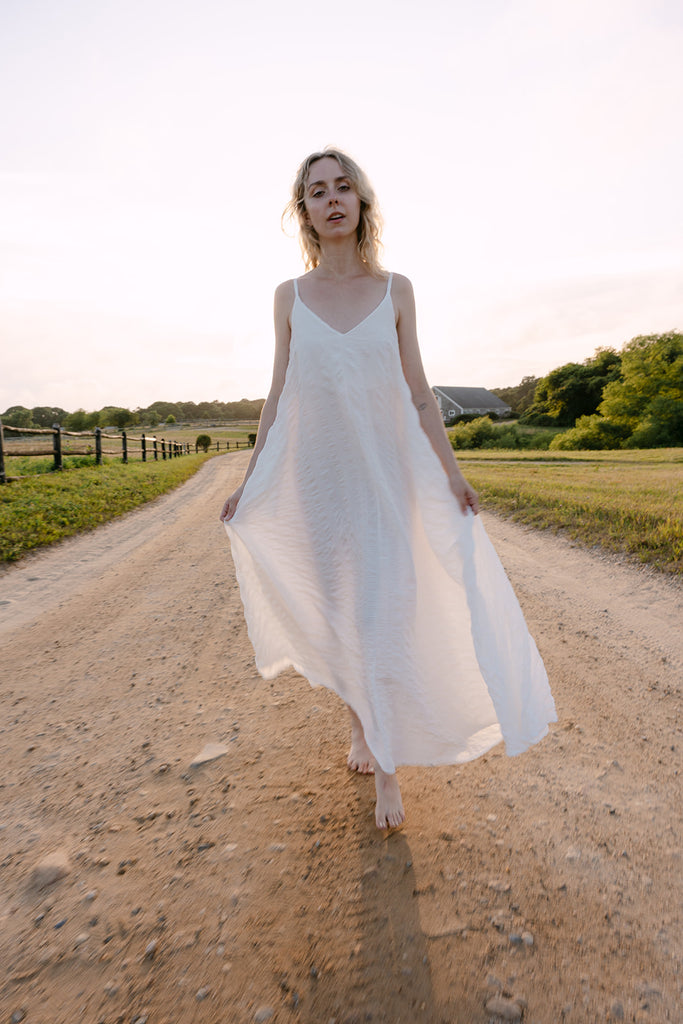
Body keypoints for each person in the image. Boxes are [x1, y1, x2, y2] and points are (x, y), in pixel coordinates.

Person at [220, 148, 556, 830]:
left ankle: (387, 769)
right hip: (320, 482)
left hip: (387, 479)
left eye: (343, 187)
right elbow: (278, 393)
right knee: (343, 615)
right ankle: (363, 729)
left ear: (361, 202)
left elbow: (419, 393)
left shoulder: (396, 288)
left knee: (383, 616)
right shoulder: (288, 296)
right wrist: (252, 480)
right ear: (305, 213)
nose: (331, 198)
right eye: (317, 192)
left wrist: (452, 474)